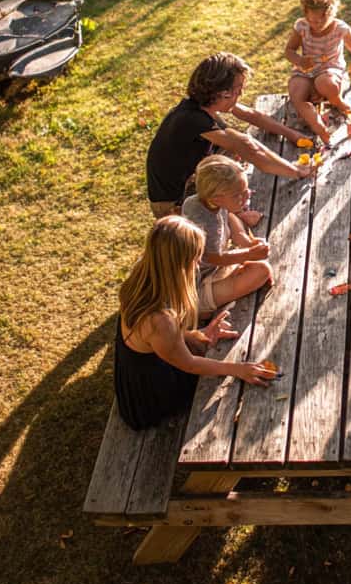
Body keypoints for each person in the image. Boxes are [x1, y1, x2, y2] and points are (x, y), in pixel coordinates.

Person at [114, 216, 276, 431]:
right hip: (151, 390)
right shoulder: (160, 320)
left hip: (141, 365)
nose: (198, 264)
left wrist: (198, 333)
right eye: (195, 259)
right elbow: (189, 364)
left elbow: (155, 338)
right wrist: (237, 369)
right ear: (178, 265)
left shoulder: (142, 276)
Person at [146, 52, 312, 218]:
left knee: (233, 153)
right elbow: (249, 148)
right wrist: (296, 171)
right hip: (174, 204)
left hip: (188, 180)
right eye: (238, 90)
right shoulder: (193, 120)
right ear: (222, 93)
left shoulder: (204, 103)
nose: (240, 94)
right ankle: (236, 216)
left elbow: (251, 115)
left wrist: (291, 134)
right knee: (236, 152)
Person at [182, 156, 273, 314]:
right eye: (239, 195)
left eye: (246, 190)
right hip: (196, 284)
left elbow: (229, 217)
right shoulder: (203, 221)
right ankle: (199, 310)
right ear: (217, 198)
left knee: (259, 267)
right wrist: (249, 254)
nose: (247, 196)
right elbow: (214, 257)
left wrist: (245, 241)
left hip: (215, 268)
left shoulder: (203, 201)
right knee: (262, 271)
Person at [285, 0, 351, 143]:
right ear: (306, 14)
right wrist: (299, 60)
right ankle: (317, 124)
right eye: (313, 21)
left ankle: (338, 102)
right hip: (306, 71)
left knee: (325, 83)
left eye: (322, 20)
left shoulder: (340, 28)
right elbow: (289, 50)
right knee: (295, 92)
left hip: (330, 70)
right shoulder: (301, 27)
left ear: (332, 12)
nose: (317, 25)